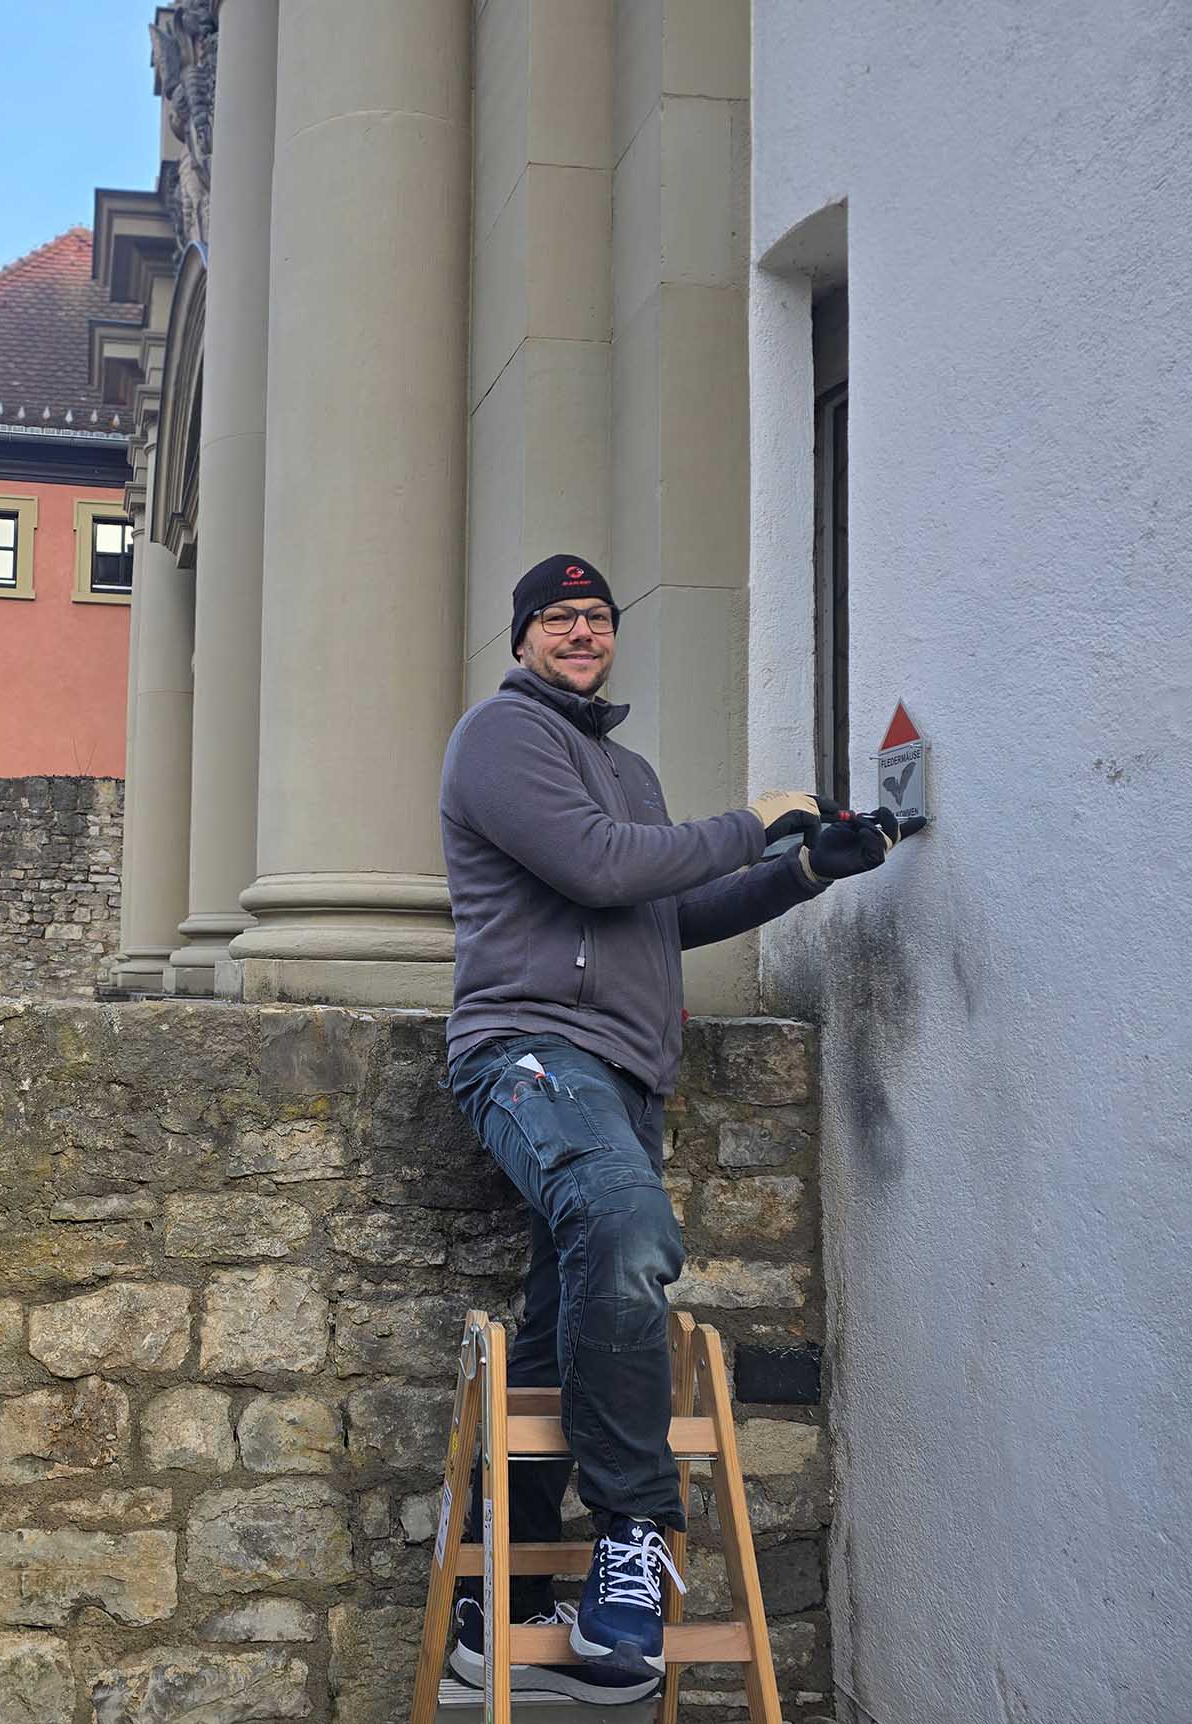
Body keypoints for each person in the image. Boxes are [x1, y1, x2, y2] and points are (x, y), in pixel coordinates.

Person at [437, 552, 912, 1705]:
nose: (581, 632)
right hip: (532, 1049)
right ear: (521, 640)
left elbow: (667, 906)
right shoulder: (501, 738)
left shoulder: (629, 767)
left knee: (566, 1313)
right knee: (623, 1221)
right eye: (557, 618)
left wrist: (799, 866)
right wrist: (747, 818)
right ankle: (632, 1541)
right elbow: (601, 870)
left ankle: (502, 1594)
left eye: (597, 617)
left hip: (625, 1072)